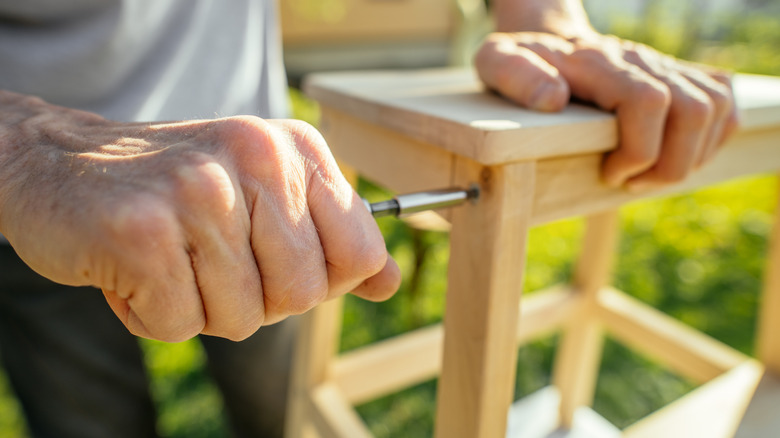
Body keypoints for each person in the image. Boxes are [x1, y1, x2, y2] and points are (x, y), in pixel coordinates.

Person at [0, 0, 738, 437]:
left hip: (264, 186)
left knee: (279, 406)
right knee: (87, 421)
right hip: (40, 213)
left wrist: (544, 17)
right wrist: (27, 152)